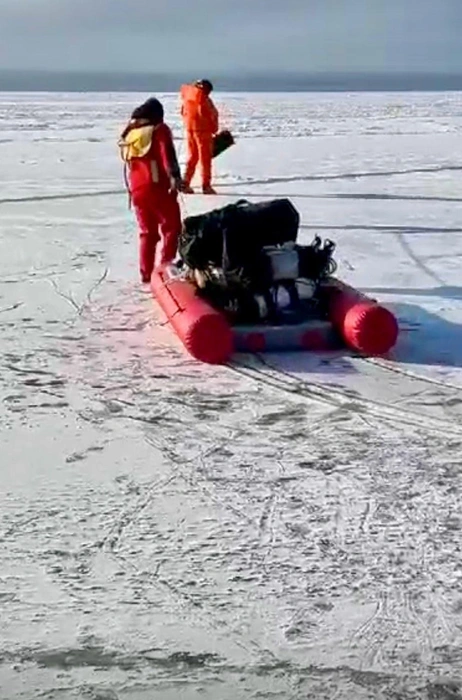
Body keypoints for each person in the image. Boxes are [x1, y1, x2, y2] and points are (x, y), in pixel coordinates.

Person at [118, 97, 186, 283]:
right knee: (172, 228)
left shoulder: (132, 133)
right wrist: (175, 177)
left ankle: (146, 273)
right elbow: (167, 155)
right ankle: (165, 269)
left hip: (137, 190)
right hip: (157, 188)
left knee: (148, 232)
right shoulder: (159, 130)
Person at [180, 79, 218, 195]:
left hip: (190, 130)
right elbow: (208, 114)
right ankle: (206, 186)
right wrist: (214, 128)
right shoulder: (203, 99)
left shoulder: (188, 98)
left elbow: (182, 112)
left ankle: (185, 183)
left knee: (192, 157)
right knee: (205, 160)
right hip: (203, 132)